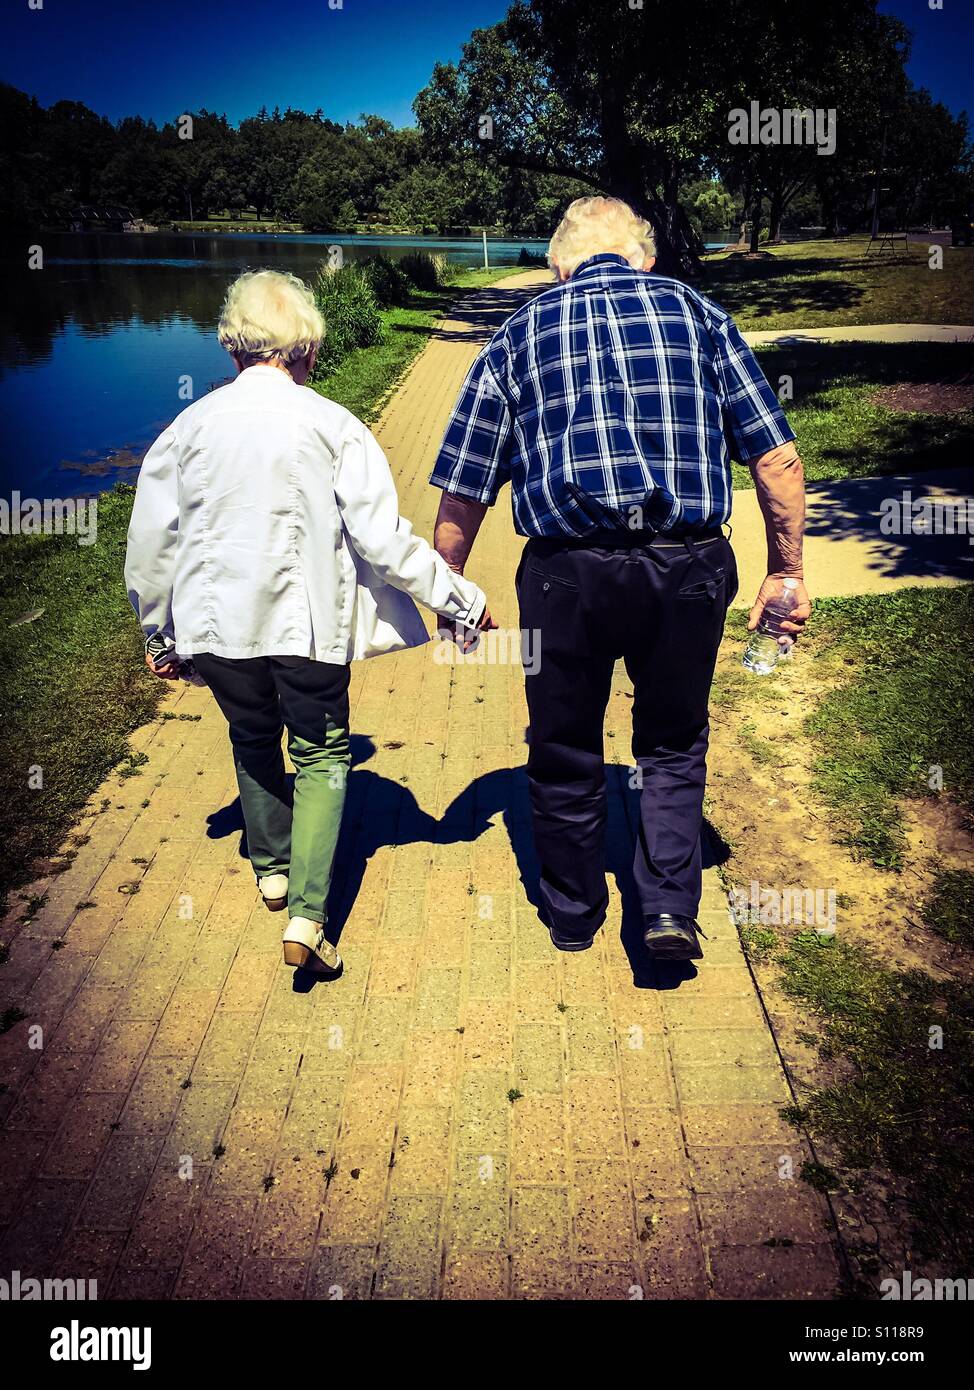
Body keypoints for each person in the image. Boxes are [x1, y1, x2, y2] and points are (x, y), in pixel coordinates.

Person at [429, 197, 810, 961]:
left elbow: (466, 483)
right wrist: (786, 573)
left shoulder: (515, 336)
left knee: (564, 742)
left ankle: (573, 915)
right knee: (672, 740)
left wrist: (452, 590)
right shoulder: (700, 315)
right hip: (690, 568)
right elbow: (776, 457)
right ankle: (669, 910)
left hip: (566, 578)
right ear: (644, 258)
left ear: (558, 264)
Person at [125, 269, 491, 973]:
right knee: (322, 755)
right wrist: (460, 600)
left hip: (216, 629)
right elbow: (384, 543)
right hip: (308, 630)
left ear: (231, 350)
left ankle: (271, 868)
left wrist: (159, 632)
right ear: (308, 351)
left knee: (252, 733)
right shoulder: (332, 425)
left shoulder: (186, 428)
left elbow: (150, 544)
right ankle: (307, 919)